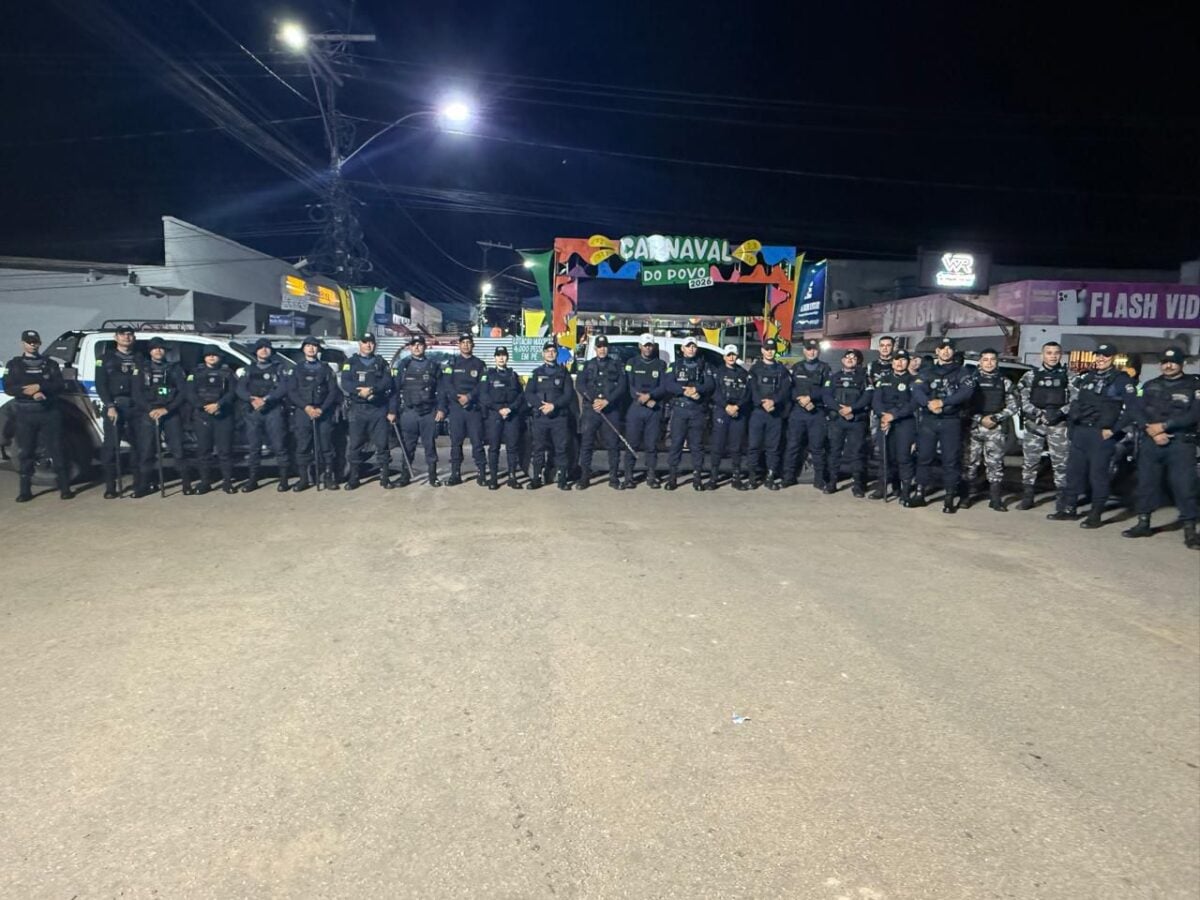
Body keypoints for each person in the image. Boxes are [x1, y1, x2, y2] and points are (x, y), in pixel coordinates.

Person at [1047, 343, 1136, 528]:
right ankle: (1069, 509)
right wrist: (1072, 428)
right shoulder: (1088, 377)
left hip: (1101, 434)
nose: (1101, 359)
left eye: (1105, 356)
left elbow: (1133, 410)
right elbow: (1077, 404)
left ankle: (1095, 515)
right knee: (1073, 473)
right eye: (1098, 355)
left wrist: (1114, 429)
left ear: (1113, 358)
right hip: (1081, 432)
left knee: (1098, 476)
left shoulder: (1121, 380)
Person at [1121, 346, 1200, 548]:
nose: (1169, 365)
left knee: (1185, 486)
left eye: (1173, 362)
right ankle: (1143, 523)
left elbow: (1194, 414)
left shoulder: (1194, 386)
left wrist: (1164, 426)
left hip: (1181, 443)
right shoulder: (1149, 385)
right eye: (1165, 362)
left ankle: (1190, 530)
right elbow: (1136, 410)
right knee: (1146, 484)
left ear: (1182, 363)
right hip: (1151, 441)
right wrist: (1151, 430)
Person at [3, 329, 73, 502]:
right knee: (26, 452)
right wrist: (29, 392)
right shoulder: (14, 364)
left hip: (48, 412)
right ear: (23, 344)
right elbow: (9, 388)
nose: (32, 344)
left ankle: (65, 488)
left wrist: (40, 387)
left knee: (56, 449)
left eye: (35, 342)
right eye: (29, 342)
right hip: (25, 413)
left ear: (39, 343)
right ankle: (25, 490)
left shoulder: (50, 364)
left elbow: (59, 385)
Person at [911, 338, 975, 512]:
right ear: (937, 352)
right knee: (924, 457)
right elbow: (917, 390)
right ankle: (919, 493)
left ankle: (949, 497)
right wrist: (928, 403)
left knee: (950, 460)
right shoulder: (927, 371)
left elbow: (966, 392)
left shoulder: (962, 372)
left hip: (951, 421)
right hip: (929, 420)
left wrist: (943, 402)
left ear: (953, 352)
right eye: (942, 348)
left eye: (949, 348)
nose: (946, 351)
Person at [961, 349, 1019, 511]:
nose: (989, 363)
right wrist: (980, 419)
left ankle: (995, 499)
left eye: (992, 359)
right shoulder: (970, 381)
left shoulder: (1004, 382)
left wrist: (996, 418)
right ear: (980, 362)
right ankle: (966, 497)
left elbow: (1014, 405)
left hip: (995, 428)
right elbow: (963, 404)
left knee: (995, 465)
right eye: (985, 359)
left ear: (997, 362)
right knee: (969, 464)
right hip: (973, 428)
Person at [1016, 341, 1071, 510]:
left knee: (1061, 464)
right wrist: (1038, 413)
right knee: (1030, 462)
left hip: (1059, 425)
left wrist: (1059, 413)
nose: (1053, 356)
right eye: (1049, 353)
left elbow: (1077, 400)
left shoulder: (1070, 376)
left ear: (1060, 355)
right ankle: (1027, 497)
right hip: (1035, 424)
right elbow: (1021, 399)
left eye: (1056, 353)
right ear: (1042, 355)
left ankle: (1062, 500)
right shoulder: (1030, 376)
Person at [133, 336, 190, 497]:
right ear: (150, 351)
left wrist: (167, 409)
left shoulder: (174, 369)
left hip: (170, 413)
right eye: (155, 348)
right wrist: (150, 409)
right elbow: (136, 393)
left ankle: (186, 484)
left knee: (178, 450)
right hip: (149, 413)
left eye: (161, 348)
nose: (158, 351)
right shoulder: (141, 369)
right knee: (146, 450)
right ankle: (144, 485)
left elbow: (182, 392)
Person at [340, 332, 393, 490]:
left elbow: (387, 381)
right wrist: (359, 392)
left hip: (378, 409)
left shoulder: (381, 362)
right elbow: (345, 382)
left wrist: (372, 390)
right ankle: (354, 478)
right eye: (365, 342)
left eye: (371, 342)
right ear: (360, 344)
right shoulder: (350, 362)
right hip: (358, 409)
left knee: (382, 444)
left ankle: (385, 477)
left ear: (374, 345)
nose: (368, 345)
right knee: (355, 445)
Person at [237, 337, 291, 492]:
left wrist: (266, 399)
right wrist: (251, 399)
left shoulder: (279, 368)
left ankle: (284, 480)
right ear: (255, 351)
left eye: (267, 347)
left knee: (279, 446)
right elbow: (240, 389)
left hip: (273, 410)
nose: (264, 350)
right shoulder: (248, 369)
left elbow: (283, 387)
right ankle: (252, 480)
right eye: (261, 347)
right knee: (254, 448)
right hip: (253, 411)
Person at [287, 336, 341, 492]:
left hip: (323, 412)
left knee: (326, 446)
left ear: (318, 349)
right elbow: (292, 391)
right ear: (303, 349)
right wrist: (306, 408)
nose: (311, 348)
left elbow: (332, 391)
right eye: (308, 346)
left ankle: (328, 477)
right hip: (303, 412)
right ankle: (304, 479)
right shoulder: (297, 369)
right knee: (303, 446)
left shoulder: (326, 369)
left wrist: (321, 409)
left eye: (314, 346)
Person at [389, 335, 443, 487]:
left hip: (428, 412)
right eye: (414, 345)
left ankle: (433, 477)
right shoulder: (404, 365)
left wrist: (441, 409)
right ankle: (405, 476)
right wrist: (392, 411)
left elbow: (441, 390)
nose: (417, 347)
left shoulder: (433, 365)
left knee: (430, 446)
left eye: (420, 344)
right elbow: (395, 390)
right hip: (409, 412)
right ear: (410, 347)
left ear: (424, 347)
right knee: (408, 446)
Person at [94, 324, 141, 498]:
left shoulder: (139, 358)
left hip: (136, 407)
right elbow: (100, 384)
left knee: (138, 446)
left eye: (129, 334)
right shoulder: (105, 358)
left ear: (133, 338)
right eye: (122, 334)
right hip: (115, 406)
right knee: (111, 447)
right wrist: (110, 406)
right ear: (116, 337)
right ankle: (110, 487)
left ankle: (138, 483)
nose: (126, 337)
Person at [575, 333, 627, 490]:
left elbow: (622, 386)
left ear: (608, 348)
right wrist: (593, 400)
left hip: (610, 409)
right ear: (595, 348)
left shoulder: (617, 365)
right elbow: (580, 385)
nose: (602, 349)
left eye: (604, 347)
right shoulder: (587, 365)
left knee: (613, 445)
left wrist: (607, 401)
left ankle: (613, 477)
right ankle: (584, 477)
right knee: (587, 444)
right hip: (591, 410)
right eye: (599, 347)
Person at [663, 336, 714, 490]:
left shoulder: (704, 365)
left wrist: (697, 389)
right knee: (676, 444)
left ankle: (697, 478)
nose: (691, 349)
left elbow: (710, 384)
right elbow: (668, 384)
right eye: (688, 346)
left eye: (693, 346)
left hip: (697, 410)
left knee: (697, 446)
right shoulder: (675, 365)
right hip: (680, 409)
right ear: (682, 349)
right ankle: (672, 477)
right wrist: (684, 391)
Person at [524, 341, 576, 490]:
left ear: (557, 354)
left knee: (561, 449)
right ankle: (536, 478)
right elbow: (529, 393)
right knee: (538, 448)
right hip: (541, 417)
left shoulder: (563, 373)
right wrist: (541, 406)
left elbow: (568, 394)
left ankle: (562, 479)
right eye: (548, 351)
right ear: (543, 354)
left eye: (553, 351)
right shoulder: (536, 373)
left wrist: (554, 406)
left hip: (559, 417)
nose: (550, 353)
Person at [186, 344, 237, 495]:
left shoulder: (228, 373)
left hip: (223, 415)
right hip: (202, 416)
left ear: (220, 357)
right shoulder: (195, 373)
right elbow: (190, 393)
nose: (212, 357)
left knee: (225, 451)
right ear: (204, 357)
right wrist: (204, 406)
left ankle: (227, 482)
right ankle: (205, 482)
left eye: (215, 355)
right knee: (204, 451)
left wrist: (219, 404)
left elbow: (232, 393)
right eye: (208, 355)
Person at [782, 338, 831, 490]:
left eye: (814, 349)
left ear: (819, 351)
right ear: (804, 351)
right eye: (809, 349)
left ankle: (819, 479)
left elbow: (827, 390)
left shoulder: (825, 368)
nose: (812, 352)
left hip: (816, 412)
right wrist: (800, 399)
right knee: (792, 446)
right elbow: (789, 389)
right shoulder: (796, 367)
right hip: (798, 412)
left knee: (817, 448)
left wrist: (811, 398)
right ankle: (788, 477)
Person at [439, 332, 487, 486]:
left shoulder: (480, 364)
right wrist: (457, 398)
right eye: (463, 342)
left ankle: (482, 473)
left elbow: (483, 385)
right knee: (456, 443)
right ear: (459, 345)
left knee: (477, 442)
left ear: (473, 345)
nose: (466, 345)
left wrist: (469, 397)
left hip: (473, 409)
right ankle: (455, 474)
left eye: (468, 342)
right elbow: (446, 385)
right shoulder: (451, 363)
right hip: (456, 409)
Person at [744, 337, 792, 490]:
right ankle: (752, 478)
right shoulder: (755, 369)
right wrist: (762, 403)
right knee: (754, 446)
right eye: (767, 349)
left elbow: (785, 390)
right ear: (762, 350)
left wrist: (774, 401)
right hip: (758, 413)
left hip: (775, 413)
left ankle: (770, 477)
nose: (770, 352)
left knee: (773, 448)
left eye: (772, 349)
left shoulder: (782, 370)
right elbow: (752, 389)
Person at [824, 348, 873, 496]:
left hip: (856, 421)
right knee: (834, 452)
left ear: (857, 361)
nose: (850, 359)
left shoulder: (864, 378)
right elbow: (827, 396)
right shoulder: (834, 377)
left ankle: (858, 485)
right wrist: (840, 409)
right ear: (842, 360)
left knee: (857, 453)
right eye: (848, 357)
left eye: (854, 358)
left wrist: (852, 409)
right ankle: (832, 483)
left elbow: (867, 397)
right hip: (837, 420)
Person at [622, 333, 669, 489]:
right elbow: (629, 386)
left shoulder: (660, 364)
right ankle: (628, 476)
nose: (648, 348)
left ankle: (651, 475)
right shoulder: (632, 362)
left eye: (650, 345)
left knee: (652, 445)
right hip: (636, 408)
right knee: (632, 444)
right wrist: (641, 398)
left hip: (653, 409)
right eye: (645, 345)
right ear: (640, 346)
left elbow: (664, 386)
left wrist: (650, 396)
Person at [871, 350, 917, 504]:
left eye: (903, 360)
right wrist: (883, 416)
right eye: (897, 360)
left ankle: (905, 490)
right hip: (885, 421)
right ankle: (882, 487)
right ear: (892, 362)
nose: (899, 363)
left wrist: (894, 415)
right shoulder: (883, 380)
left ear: (907, 362)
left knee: (904, 457)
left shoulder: (914, 381)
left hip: (904, 422)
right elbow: (876, 401)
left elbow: (913, 404)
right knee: (885, 456)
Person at [708, 344, 752, 490]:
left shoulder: (744, 373)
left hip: (738, 412)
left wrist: (737, 407)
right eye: (728, 355)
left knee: (736, 446)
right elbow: (714, 392)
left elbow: (748, 394)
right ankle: (713, 477)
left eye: (733, 354)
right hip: (722, 411)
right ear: (724, 357)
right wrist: (726, 406)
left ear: (737, 356)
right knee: (717, 445)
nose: (731, 357)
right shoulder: (718, 372)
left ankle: (736, 478)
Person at [480, 346, 525, 490]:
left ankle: (512, 477)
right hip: (495, 414)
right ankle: (493, 478)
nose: (501, 358)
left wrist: (510, 409)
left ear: (507, 357)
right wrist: (498, 409)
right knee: (494, 447)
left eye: (503, 355)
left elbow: (521, 396)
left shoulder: (514, 375)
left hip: (511, 414)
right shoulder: (488, 375)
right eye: (498, 355)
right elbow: (483, 396)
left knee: (512, 447)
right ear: (495, 358)